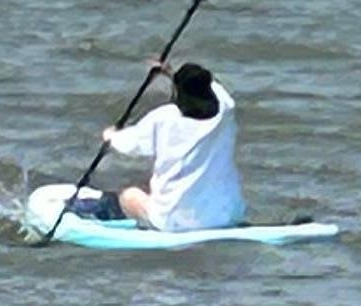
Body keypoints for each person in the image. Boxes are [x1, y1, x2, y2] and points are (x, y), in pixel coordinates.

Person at [68, 57, 245, 228]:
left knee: (130, 195)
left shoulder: (165, 118)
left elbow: (131, 145)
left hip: (174, 222)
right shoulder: (226, 110)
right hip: (225, 216)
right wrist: (170, 73)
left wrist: (111, 135)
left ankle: (100, 213)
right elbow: (209, 86)